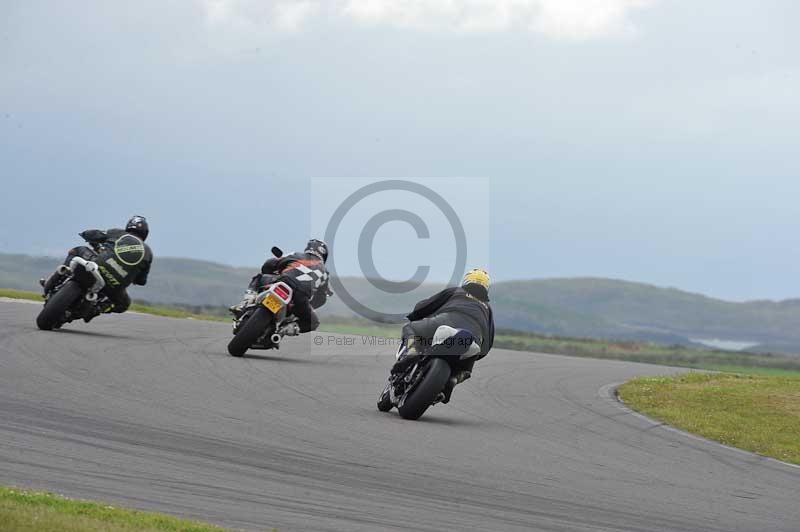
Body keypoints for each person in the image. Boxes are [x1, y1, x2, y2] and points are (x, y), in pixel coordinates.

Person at [392, 268, 494, 403]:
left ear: (467, 280)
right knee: (466, 369)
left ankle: (412, 351)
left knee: (410, 328)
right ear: (486, 286)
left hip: (447, 321)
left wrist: (414, 316)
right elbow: (489, 341)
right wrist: (477, 355)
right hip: (474, 337)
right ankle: (454, 379)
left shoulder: (455, 291)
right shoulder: (488, 309)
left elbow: (425, 305)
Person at [40, 216, 153, 321]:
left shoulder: (118, 233)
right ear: (145, 234)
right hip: (113, 286)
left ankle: (62, 274)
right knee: (124, 304)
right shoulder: (148, 253)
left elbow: (92, 234)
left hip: (96, 268)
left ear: (128, 227)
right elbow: (141, 281)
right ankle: (96, 309)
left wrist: (85, 235)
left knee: (78, 250)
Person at [231, 239, 331, 336]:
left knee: (259, 277)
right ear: (324, 255)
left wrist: (271, 270)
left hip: (282, 281)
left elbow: (269, 263)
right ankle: (286, 329)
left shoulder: (295, 254)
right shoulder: (325, 272)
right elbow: (321, 297)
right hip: (300, 297)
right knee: (313, 323)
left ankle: (245, 303)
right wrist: (309, 306)